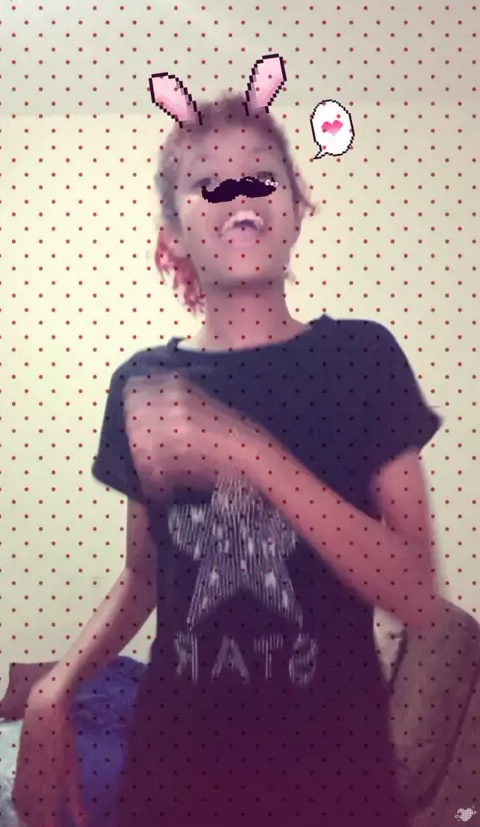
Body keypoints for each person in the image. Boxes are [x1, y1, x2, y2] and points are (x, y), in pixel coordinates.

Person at [13, 58, 444, 827]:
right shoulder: (142, 383)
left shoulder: (361, 357)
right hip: (174, 770)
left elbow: (415, 593)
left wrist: (248, 451)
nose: (238, 195)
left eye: (260, 178)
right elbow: (144, 577)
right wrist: (56, 687)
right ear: (174, 233)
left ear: (298, 205)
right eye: (208, 185)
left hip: (331, 773)